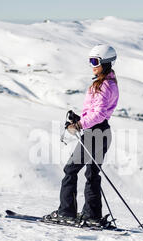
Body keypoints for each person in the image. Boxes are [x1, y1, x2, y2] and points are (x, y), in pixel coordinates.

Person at [44, 44, 119, 227]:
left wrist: (78, 124)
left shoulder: (103, 85)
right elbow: (98, 113)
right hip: (102, 132)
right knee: (92, 174)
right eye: (90, 61)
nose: (92, 65)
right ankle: (91, 215)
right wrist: (80, 119)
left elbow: (99, 113)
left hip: (95, 133)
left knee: (70, 170)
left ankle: (66, 213)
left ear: (106, 63)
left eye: (95, 61)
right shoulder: (109, 82)